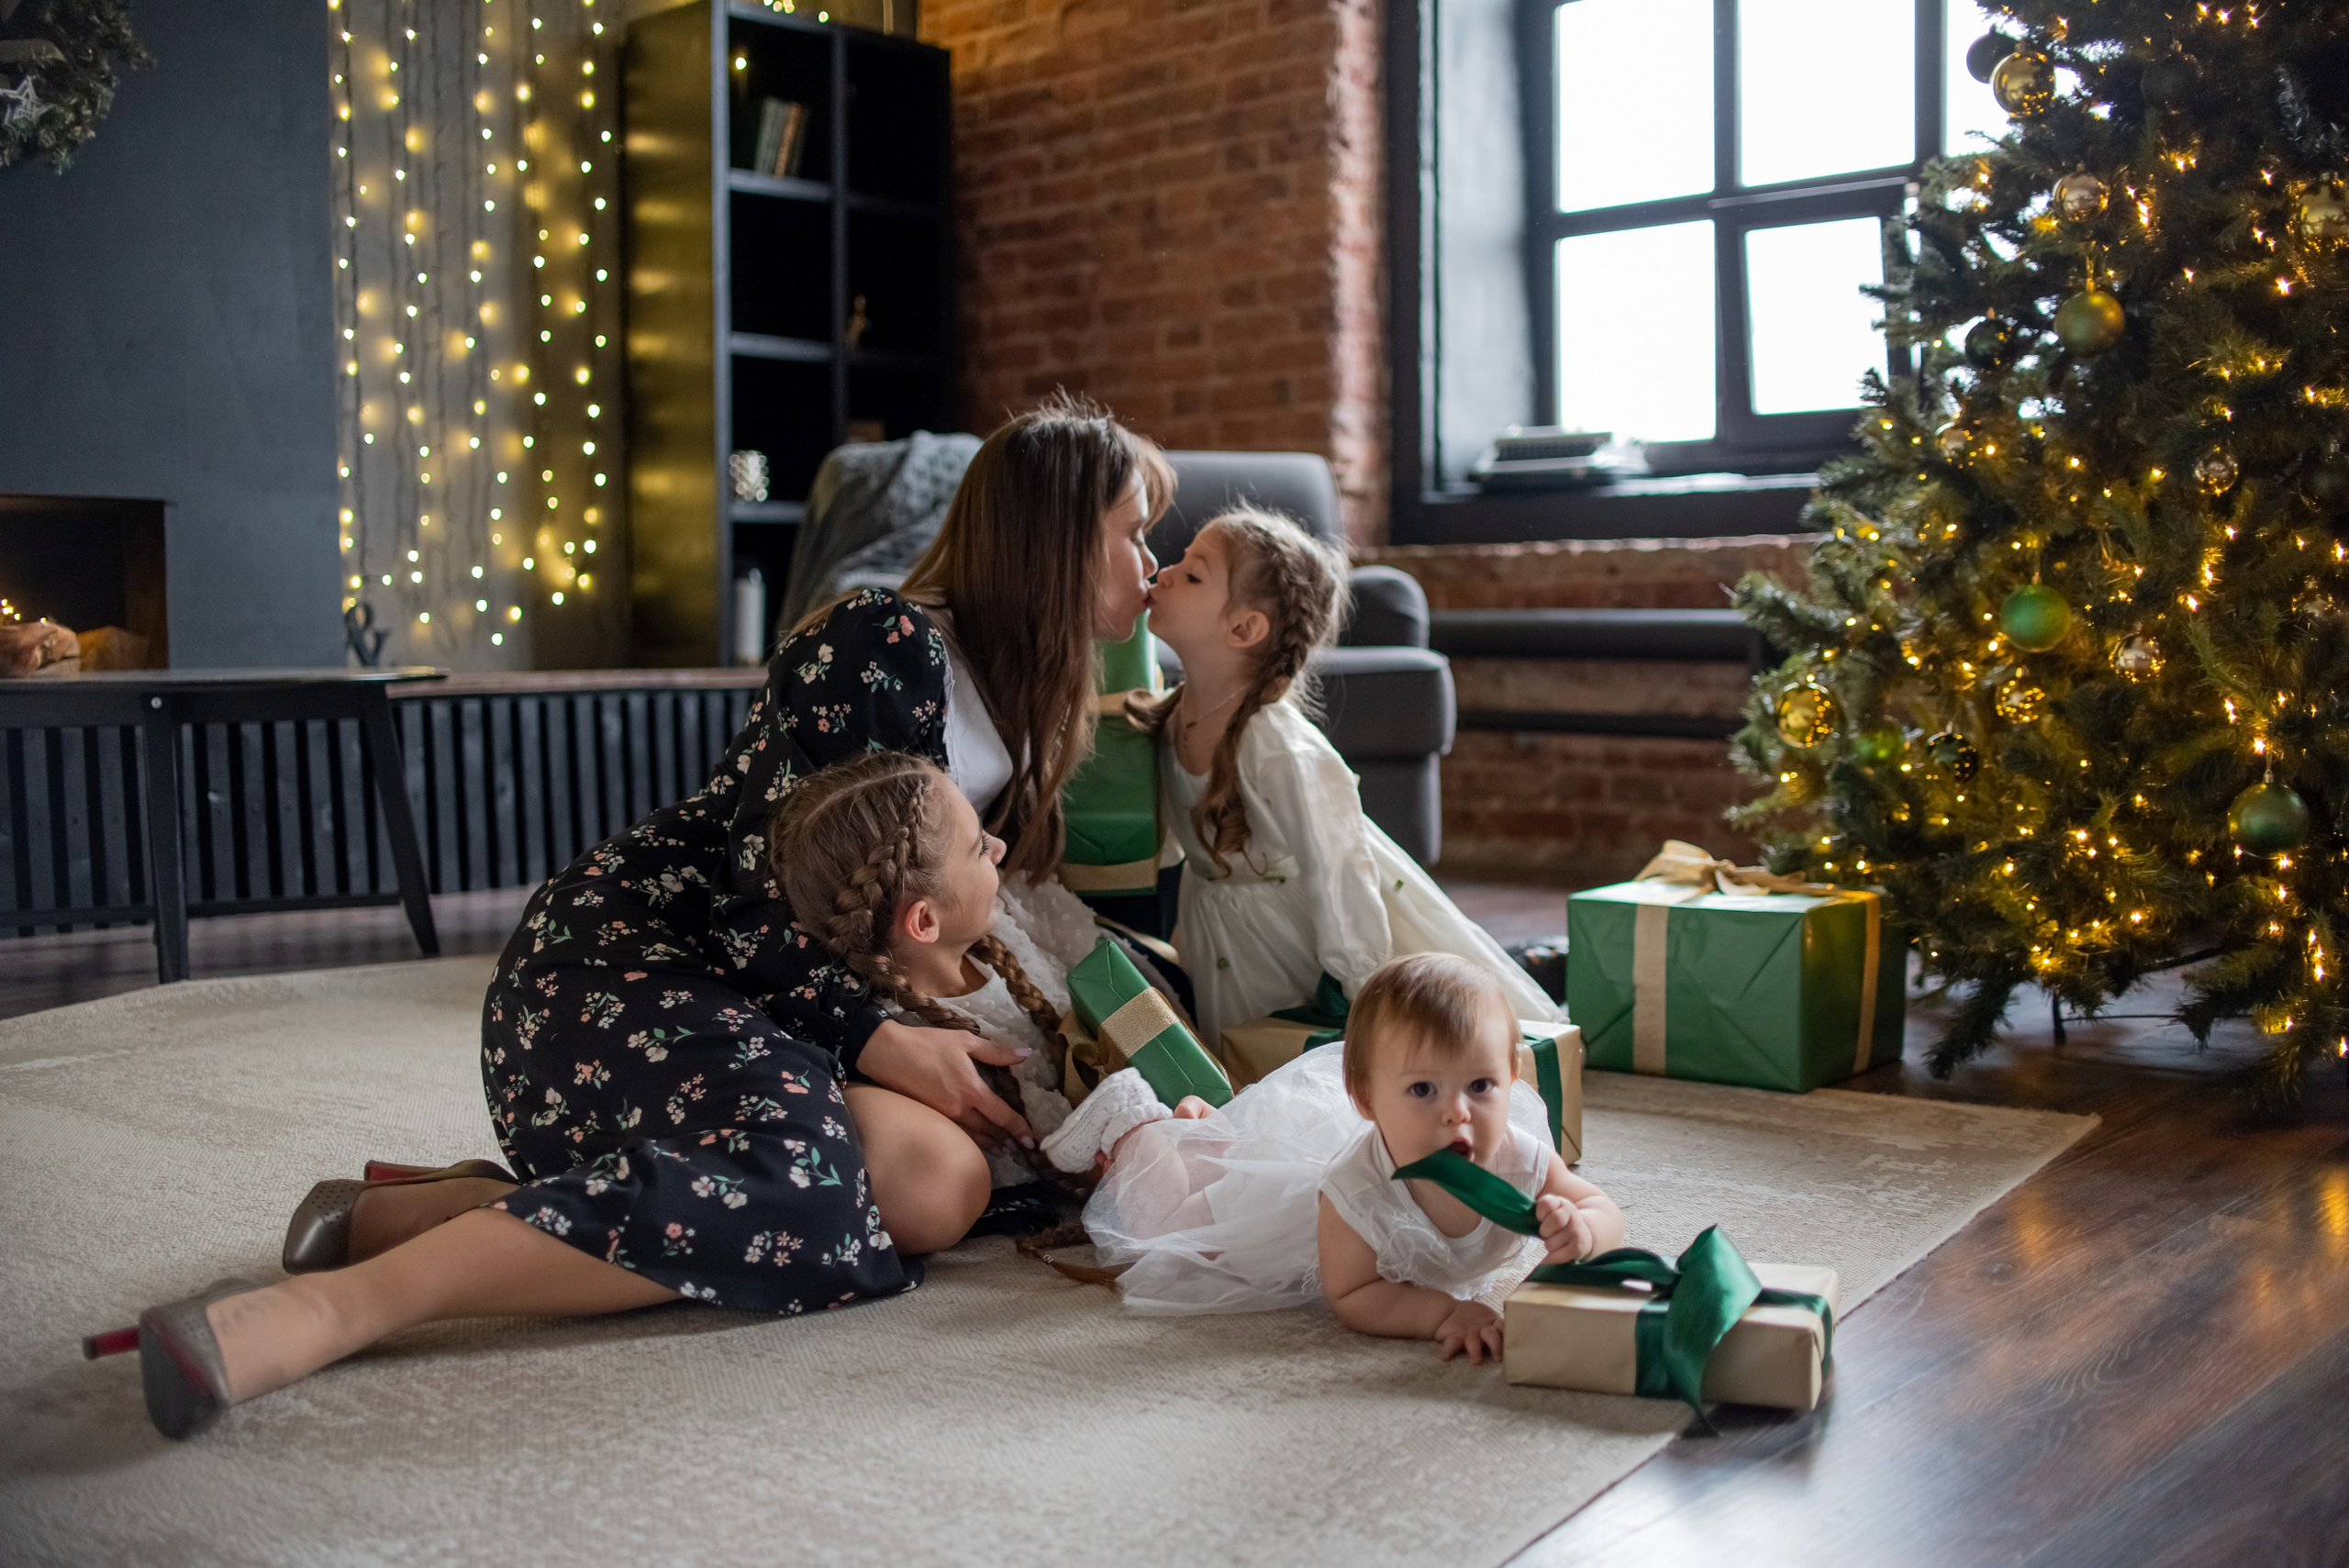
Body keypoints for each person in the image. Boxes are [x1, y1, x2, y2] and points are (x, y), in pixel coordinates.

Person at [94, 393, 1176, 1439]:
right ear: (1053, 539)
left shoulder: (1037, 700)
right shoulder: (882, 640)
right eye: (1133, 534)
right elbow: (762, 894)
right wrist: (885, 1038)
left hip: (782, 1009)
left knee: (940, 1188)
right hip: (641, 958)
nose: (1150, 565)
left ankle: (413, 1211)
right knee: (806, 1191)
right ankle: (332, 1308)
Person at [1041, 953, 1623, 1361]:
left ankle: (1207, 1131)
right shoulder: (1354, 1190)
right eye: (1423, 1090)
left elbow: (1602, 1208)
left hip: (1312, 1171)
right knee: (1170, 1228)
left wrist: (1585, 1232)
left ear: (1512, 1076)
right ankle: (1133, 1119)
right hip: (1274, 1214)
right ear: (1367, 1098)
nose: (1457, 1114)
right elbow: (1353, 1295)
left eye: (1480, 1086)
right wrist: (1442, 1314)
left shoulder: (1520, 1159)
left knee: (1232, 1154)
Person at [1131, 506, 1561, 1049]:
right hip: (1225, 936)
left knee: (1314, 1062)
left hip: (1295, 940)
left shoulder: (1280, 748)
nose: (1163, 573)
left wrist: (1360, 986)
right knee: (1246, 1069)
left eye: (1193, 574)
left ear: (1244, 627)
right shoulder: (1172, 720)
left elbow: (1338, 868)